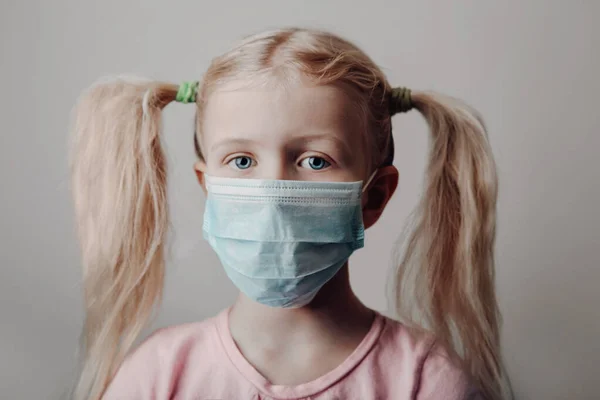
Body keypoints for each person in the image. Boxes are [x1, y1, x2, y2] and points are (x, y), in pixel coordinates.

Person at [69, 27, 512, 400]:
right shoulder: (156, 375)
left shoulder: (425, 380)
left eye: (315, 160)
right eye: (241, 161)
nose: (273, 197)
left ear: (373, 196)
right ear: (209, 189)